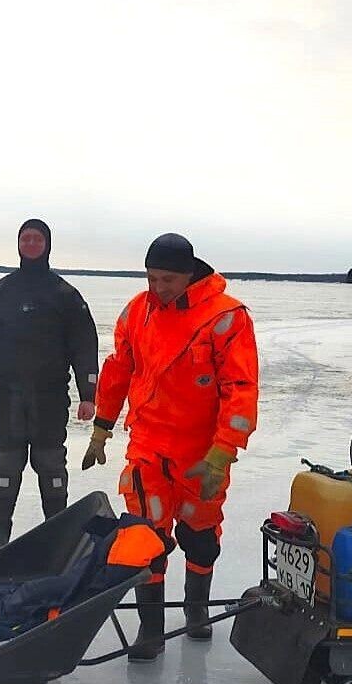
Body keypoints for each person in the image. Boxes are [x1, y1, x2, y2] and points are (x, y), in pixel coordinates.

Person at [82, 233, 259, 660]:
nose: (158, 288)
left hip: (203, 453)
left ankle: (196, 610)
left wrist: (223, 452)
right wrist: (102, 428)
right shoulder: (136, 312)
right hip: (147, 447)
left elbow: (241, 389)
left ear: (190, 274)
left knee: (200, 536)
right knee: (146, 536)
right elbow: (118, 371)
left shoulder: (226, 317)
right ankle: (151, 629)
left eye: (168, 279)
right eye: (151, 278)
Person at [0, 219, 99, 557]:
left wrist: (88, 394)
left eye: (38, 239)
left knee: (51, 464)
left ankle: (58, 530)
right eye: (26, 238)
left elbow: (84, 346)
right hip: (5, 398)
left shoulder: (65, 295)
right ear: (18, 244)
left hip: (49, 398)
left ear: (47, 244)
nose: (32, 244)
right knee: (5, 463)